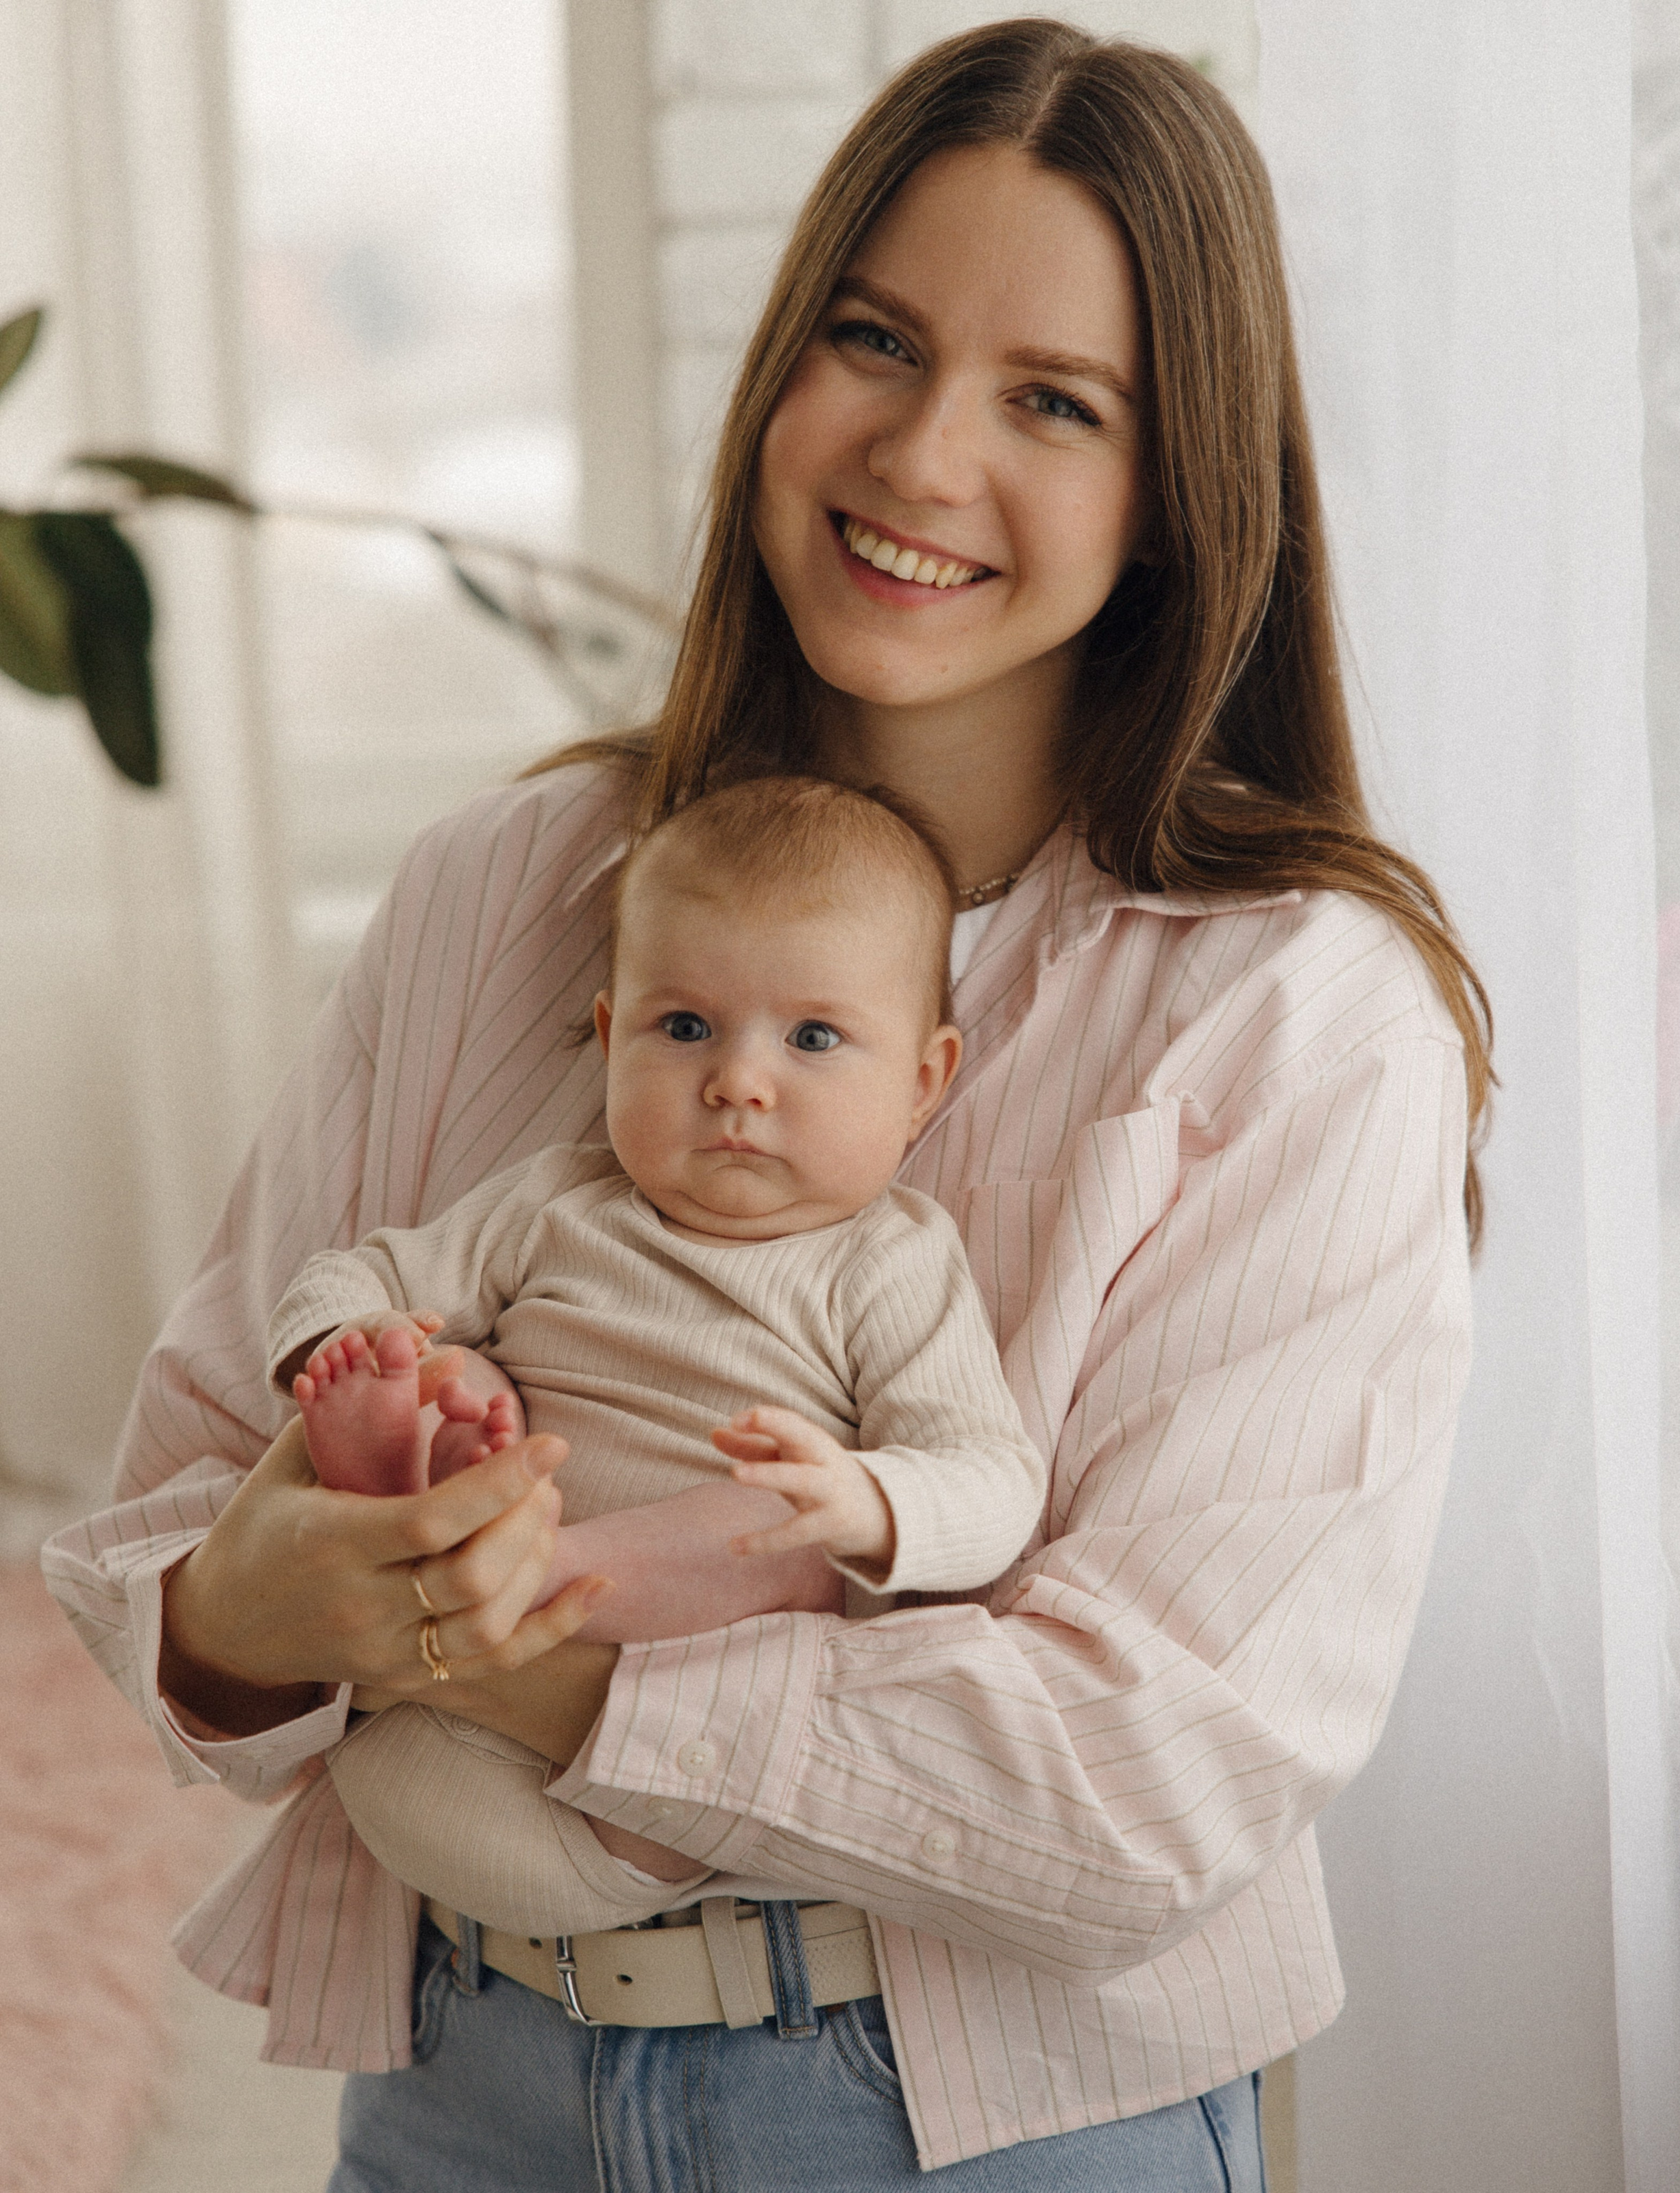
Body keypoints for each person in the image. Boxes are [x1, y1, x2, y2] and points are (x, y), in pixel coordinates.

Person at [42, 19, 1490, 2190]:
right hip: (461, 2087)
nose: (919, 455)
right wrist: (260, 1601)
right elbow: (166, 1529)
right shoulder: (509, 888)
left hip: (978, 2128)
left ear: (1181, 487)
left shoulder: (1299, 1014)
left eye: (1053, 401)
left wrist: (527, 1652)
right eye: (875, 339)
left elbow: (1147, 1784)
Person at [275, 775, 1044, 1939]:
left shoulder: (886, 1262)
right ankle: (409, 1482)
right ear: (608, 1035)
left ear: (924, 1082)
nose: (737, 1080)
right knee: (457, 1371)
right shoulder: (555, 1204)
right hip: (420, 1752)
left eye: (815, 1037)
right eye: (683, 1028)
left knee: (777, 1535)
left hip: (648, 1793)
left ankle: (530, 1565)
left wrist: (865, 1497)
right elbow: (360, 1271)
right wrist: (352, 1343)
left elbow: (994, 1477)